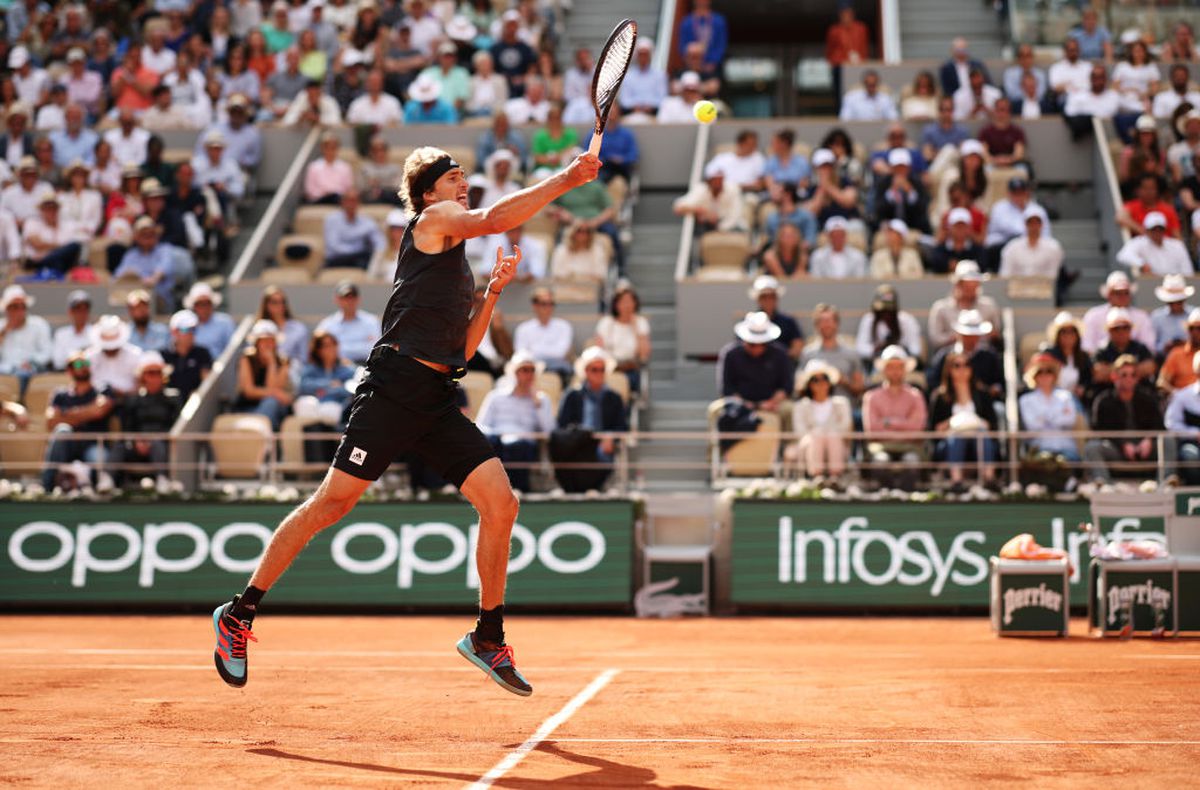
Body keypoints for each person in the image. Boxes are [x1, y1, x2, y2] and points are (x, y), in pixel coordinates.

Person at [210, 144, 601, 698]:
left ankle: (489, 637)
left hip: (437, 397)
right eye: (453, 177)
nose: (463, 183)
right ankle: (239, 614)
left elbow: (462, 352)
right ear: (427, 192)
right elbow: (494, 220)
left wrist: (490, 296)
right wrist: (567, 177)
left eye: (465, 176)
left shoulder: (456, 258)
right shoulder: (433, 220)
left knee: (501, 503)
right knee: (332, 505)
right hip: (394, 389)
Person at [475, 350, 554, 493]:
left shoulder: (542, 399)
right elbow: (480, 425)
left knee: (519, 446)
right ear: (514, 372)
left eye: (532, 370)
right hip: (497, 441)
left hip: (524, 443)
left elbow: (549, 432)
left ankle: (516, 490)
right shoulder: (495, 396)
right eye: (524, 370)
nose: (529, 374)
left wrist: (538, 405)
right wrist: (496, 436)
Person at [554, 346, 628, 492]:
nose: (599, 373)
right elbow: (562, 425)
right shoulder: (572, 395)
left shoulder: (615, 398)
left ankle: (596, 488)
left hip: (601, 444)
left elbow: (621, 426)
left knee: (603, 455)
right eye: (594, 369)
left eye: (602, 370)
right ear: (586, 371)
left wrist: (611, 437)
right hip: (577, 443)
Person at [40, 348, 113, 491]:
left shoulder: (102, 388)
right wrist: (86, 413)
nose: (84, 367)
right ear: (70, 371)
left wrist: (65, 414)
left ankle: (96, 492)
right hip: (68, 445)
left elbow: (99, 411)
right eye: (78, 365)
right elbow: (50, 421)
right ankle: (46, 489)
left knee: (100, 458)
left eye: (86, 363)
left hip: (93, 443)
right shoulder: (60, 394)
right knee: (62, 430)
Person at [1085, 355, 1162, 482]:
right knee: (1092, 447)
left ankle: (1166, 481)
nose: (1128, 379)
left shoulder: (1148, 398)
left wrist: (1148, 440)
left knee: (1168, 441)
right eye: (1124, 375)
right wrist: (1123, 444)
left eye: (1133, 375)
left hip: (1145, 449)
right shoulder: (1103, 401)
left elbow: (1159, 426)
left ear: (1137, 378)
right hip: (1117, 450)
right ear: (1114, 376)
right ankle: (1104, 484)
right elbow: (1100, 431)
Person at [929, 349, 998, 489]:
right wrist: (954, 422)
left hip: (978, 439)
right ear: (949, 369)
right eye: (957, 365)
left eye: (966, 364)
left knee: (981, 434)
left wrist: (976, 421)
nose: (962, 369)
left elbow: (993, 425)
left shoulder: (983, 394)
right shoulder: (940, 397)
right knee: (957, 436)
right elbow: (933, 430)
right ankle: (956, 480)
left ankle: (989, 478)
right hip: (949, 442)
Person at [111, 350, 182, 485]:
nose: (154, 377)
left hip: (163, 444)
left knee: (157, 446)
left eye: (158, 373)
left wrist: (154, 439)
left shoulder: (174, 398)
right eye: (150, 373)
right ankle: (107, 480)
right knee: (119, 447)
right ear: (143, 376)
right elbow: (127, 427)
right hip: (137, 445)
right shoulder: (133, 400)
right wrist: (137, 441)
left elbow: (175, 425)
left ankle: (163, 480)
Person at [863, 345, 928, 488]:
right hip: (880, 448)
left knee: (912, 463)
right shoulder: (871, 397)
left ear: (905, 370)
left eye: (899, 367)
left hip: (910, 448)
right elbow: (872, 430)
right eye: (891, 367)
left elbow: (917, 429)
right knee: (880, 462)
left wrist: (887, 423)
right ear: (884, 369)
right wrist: (904, 425)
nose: (895, 371)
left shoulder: (916, 395)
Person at [717, 311, 793, 416]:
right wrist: (744, 404)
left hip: (773, 403)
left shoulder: (780, 354)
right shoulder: (730, 354)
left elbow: (787, 386)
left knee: (789, 409)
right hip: (738, 403)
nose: (757, 348)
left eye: (762, 343)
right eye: (752, 344)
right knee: (715, 411)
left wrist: (772, 402)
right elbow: (727, 387)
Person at [792, 359, 852, 482]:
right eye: (815, 380)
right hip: (809, 443)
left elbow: (845, 426)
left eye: (824, 378)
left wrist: (827, 434)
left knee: (832, 436)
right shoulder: (800, 406)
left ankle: (835, 477)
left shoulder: (841, 403)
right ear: (809, 384)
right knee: (817, 436)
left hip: (835, 440)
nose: (821, 383)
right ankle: (817, 476)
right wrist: (819, 434)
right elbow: (800, 431)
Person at [1019, 351, 1082, 463]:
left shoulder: (1065, 396)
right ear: (1034, 376)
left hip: (1066, 447)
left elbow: (1070, 420)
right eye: (1040, 372)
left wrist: (1044, 418)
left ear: (1054, 375)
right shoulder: (1026, 400)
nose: (1044, 376)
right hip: (1040, 448)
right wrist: (1058, 417)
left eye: (1048, 372)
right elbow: (1032, 425)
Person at [926, 309, 1004, 400]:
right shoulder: (945, 355)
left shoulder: (989, 356)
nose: (971, 339)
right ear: (958, 334)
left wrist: (993, 389)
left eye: (974, 335)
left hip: (984, 404)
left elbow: (999, 382)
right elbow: (933, 381)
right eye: (967, 335)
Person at [233, 318, 293, 430]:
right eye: (263, 340)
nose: (268, 344)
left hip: (275, 410)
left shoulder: (283, 362)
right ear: (256, 342)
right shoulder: (246, 359)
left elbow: (272, 387)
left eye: (271, 340)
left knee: (271, 403)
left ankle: (261, 433)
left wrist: (271, 363)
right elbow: (249, 391)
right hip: (248, 408)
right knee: (271, 402)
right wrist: (276, 393)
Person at [591, 282, 650, 394]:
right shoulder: (606, 323)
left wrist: (635, 328)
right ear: (616, 304)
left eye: (629, 301)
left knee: (622, 385)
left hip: (630, 370)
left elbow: (643, 355)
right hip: (608, 369)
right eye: (623, 301)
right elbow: (599, 350)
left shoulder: (641, 323)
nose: (627, 305)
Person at [801, 303, 865, 400]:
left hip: (844, 411)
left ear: (837, 323)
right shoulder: (807, 353)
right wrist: (814, 380)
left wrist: (843, 381)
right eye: (821, 321)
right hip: (815, 411)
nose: (826, 324)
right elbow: (799, 388)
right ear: (816, 325)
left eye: (829, 320)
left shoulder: (852, 353)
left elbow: (860, 389)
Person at [1082, 271, 1154, 353]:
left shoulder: (1142, 317)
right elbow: (1087, 346)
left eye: (1126, 293)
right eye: (1118, 293)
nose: (1122, 297)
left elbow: (1149, 347)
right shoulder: (1093, 316)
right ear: (1108, 294)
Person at [114, 217, 176, 310]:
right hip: (133, 299)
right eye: (143, 234)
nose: (147, 237)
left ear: (156, 235)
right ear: (137, 237)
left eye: (150, 234)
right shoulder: (131, 255)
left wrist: (153, 279)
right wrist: (129, 275)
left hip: (159, 301)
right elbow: (118, 276)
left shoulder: (164, 250)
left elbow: (166, 267)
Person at [513, 286, 573, 380]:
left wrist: (534, 351)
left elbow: (560, 353)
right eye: (544, 304)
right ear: (535, 306)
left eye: (551, 304)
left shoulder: (564, 326)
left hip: (557, 369)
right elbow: (521, 354)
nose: (548, 307)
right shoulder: (523, 329)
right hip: (531, 368)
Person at [314, 280, 380, 364]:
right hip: (336, 367)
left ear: (358, 299)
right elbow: (320, 350)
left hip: (367, 366)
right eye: (345, 298)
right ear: (336, 300)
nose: (349, 301)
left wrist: (338, 349)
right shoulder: (327, 324)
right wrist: (362, 346)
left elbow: (375, 349)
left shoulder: (371, 321)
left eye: (352, 297)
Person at [672, 160, 745, 233]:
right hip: (707, 228)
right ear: (708, 181)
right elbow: (678, 207)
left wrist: (719, 228)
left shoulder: (733, 189)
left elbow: (735, 215)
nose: (718, 182)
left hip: (732, 228)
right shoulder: (700, 190)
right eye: (715, 179)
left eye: (720, 179)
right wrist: (700, 211)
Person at [857, 284, 922, 361]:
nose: (886, 314)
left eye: (889, 311)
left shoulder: (907, 320)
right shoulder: (869, 319)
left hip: (903, 361)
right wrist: (876, 349)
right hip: (877, 361)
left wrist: (898, 351)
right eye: (882, 311)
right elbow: (860, 348)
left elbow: (916, 349)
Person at [1092, 307, 1156, 386]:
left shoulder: (1140, 348)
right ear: (1109, 331)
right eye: (1116, 328)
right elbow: (1099, 374)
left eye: (1125, 327)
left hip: (1139, 391)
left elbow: (1150, 368)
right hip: (1108, 393)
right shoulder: (1102, 350)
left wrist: (1114, 370)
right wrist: (1132, 370)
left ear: (1130, 329)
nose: (1121, 332)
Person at [0, 284, 51, 382]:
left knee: (24, 375)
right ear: (7, 309)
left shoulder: (39, 324)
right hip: (5, 373)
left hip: (33, 372)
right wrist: (3, 333)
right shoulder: (1, 327)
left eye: (23, 306)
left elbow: (47, 353)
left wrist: (31, 362)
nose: (20, 311)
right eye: (14, 307)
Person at [1115, 211, 1193, 276]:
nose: (1157, 232)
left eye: (1160, 229)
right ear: (1147, 230)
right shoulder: (1139, 242)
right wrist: (1141, 264)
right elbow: (1123, 255)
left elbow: (1188, 271)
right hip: (1151, 285)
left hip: (1176, 286)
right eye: (1153, 229)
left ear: (1164, 230)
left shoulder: (1177, 245)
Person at [322, 192, 385, 270]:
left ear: (359, 203)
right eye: (348, 200)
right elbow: (334, 246)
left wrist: (378, 254)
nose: (351, 204)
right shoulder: (332, 220)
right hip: (337, 259)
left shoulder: (366, 221)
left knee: (370, 262)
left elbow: (380, 242)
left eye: (354, 201)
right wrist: (357, 250)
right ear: (342, 202)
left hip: (360, 258)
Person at [999, 205, 1063, 280]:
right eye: (1030, 223)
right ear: (1025, 224)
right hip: (1017, 289)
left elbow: (1052, 275)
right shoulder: (1011, 248)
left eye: (1037, 222)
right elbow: (1006, 274)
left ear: (1042, 224)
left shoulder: (1053, 247)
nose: (1034, 226)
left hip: (1043, 288)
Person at [824, 0, 869, 108]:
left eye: (848, 12)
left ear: (853, 13)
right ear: (839, 15)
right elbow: (830, 50)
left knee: (857, 91)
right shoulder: (834, 30)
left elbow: (864, 47)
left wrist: (863, 61)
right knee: (840, 93)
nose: (846, 15)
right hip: (840, 66)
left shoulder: (861, 28)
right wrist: (833, 62)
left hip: (857, 65)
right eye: (843, 13)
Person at [747, 275, 802, 360]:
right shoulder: (748, 322)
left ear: (777, 298)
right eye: (764, 297)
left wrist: (780, 361)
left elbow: (797, 347)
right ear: (758, 299)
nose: (768, 300)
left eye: (772, 296)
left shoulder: (789, 321)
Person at [1165, 350, 1200, 484]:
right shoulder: (1182, 396)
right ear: (1196, 372)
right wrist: (1195, 434)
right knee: (1191, 457)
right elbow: (1171, 424)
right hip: (1191, 444)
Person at [162, 308, 211, 401]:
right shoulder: (163, 355)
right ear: (174, 331)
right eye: (185, 330)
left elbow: (206, 384)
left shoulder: (202, 353)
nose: (190, 333)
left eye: (194, 329)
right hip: (168, 408)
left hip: (194, 405)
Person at [676, 0, 728, 81]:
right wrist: (692, 63)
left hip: (713, 68)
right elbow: (682, 46)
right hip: (691, 68)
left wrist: (712, 62)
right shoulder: (687, 22)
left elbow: (721, 45)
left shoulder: (718, 21)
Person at [256, 286, 308, 362]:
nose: (279, 306)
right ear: (266, 305)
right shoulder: (259, 328)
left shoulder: (299, 328)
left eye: (283, 302)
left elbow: (303, 358)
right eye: (274, 302)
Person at [1160, 308, 1200, 394]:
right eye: (1191, 328)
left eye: (1199, 328)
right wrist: (1178, 395)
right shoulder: (1176, 354)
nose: (1195, 332)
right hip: (1182, 404)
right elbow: (1162, 382)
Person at [53, 290, 93, 370]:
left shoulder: (96, 333)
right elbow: (58, 363)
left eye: (85, 309)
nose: (81, 313)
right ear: (70, 312)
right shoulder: (61, 334)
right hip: (65, 376)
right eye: (77, 309)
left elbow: (95, 362)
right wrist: (80, 360)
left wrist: (73, 359)